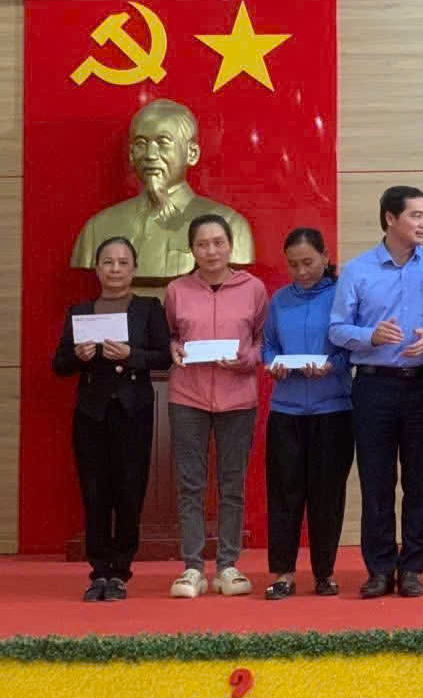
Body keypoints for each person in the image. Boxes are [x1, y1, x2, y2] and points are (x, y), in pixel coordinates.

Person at [329, 186, 423, 598]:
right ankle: (380, 569)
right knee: (376, 482)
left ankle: (414, 568)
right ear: (390, 218)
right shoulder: (357, 270)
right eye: (415, 215)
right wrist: (369, 335)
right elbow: (337, 329)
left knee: (419, 482)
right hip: (373, 385)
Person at [53, 236, 171, 601]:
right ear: (97, 268)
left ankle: (120, 571)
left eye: (122, 263)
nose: (115, 269)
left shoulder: (149, 308)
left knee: (129, 491)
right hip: (91, 413)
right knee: (94, 492)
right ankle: (99, 572)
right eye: (108, 262)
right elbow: (59, 365)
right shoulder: (80, 311)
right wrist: (79, 357)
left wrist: (131, 355)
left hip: (133, 411)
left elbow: (164, 357)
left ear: (134, 269)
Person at [164, 214, 269, 599]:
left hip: (237, 398)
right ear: (192, 250)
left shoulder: (253, 288)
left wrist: (246, 359)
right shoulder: (177, 290)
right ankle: (192, 567)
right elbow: (171, 336)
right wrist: (173, 348)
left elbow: (262, 340)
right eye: (202, 244)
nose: (211, 251)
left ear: (230, 245)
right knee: (190, 484)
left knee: (232, 484)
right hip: (187, 397)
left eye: (218, 242)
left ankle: (227, 566)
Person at [262, 228, 354, 600]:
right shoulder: (280, 300)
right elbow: (268, 345)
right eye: (293, 265)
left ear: (325, 256)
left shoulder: (342, 296)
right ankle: (283, 573)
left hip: (333, 410)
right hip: (286, 411)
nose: (301, 271)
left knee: (326, 496)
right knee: (284, 494)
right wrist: (273, 364)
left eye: (308, 262)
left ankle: (324, 573)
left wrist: (333, 365)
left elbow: (352, 347)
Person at [72, 99, 255, 280]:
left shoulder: (230, 225)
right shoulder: (98, 228)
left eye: (163, 143)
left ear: (191, 154)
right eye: (141, 144)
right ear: (131, 154)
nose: (150, 155)